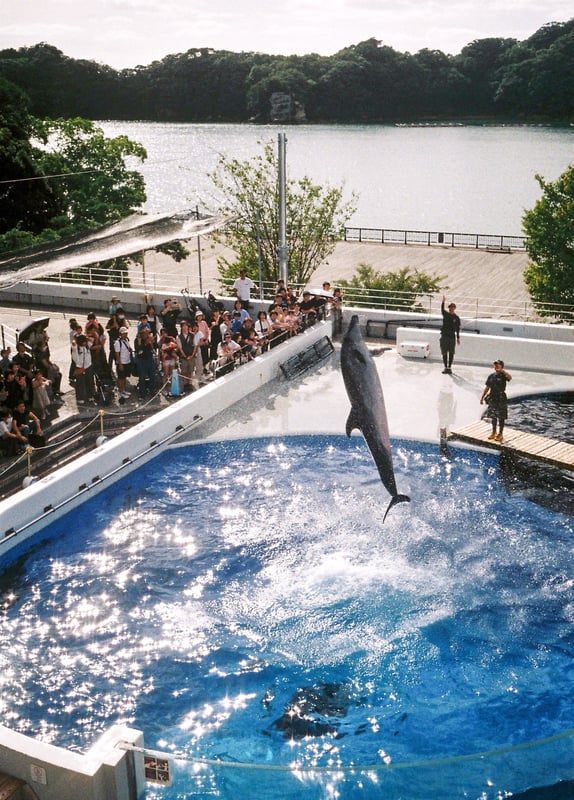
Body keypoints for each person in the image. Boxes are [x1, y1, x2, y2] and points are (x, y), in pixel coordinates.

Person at [480, 359, 512, 442]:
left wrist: (503, 371)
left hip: (501, 397)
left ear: (501, 366)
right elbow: (487, 387)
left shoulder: (503, 375)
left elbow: (510, 377)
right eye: (495, 365)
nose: (496, 366)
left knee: (501, 417)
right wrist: (482, 397)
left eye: (498, 365)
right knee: (493, 416)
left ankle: (500, 434)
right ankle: (494, 432)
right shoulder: (491, 376)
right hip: (493, 397)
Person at [440, 295, 461, 374]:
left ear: (454, 308)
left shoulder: (456, 318)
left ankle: (449, 367)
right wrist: (443, 301)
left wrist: (458, 337)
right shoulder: (446, 314)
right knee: (444, 351)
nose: (451, 308)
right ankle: (445, 366)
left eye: (453, 307)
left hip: (452, 337)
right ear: (449, 308)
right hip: (444, 336)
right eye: (450, 307)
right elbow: (442, 309)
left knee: (451, 352)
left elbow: (458, 328)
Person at [71, 333, 94, 404]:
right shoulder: (76, 348)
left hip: (88, 366)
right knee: (80, 384)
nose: (85, 343)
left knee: (90, 382)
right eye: (83, 341)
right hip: (79, 367)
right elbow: (73, 343)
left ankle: (90, 396)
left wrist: (86, 337)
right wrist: (76, 340)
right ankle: (80, 398)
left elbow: (92, 339)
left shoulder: (87, 346)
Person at [114, 326, 134, 400]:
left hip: (127, 361)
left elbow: (128, 348)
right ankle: (120, 391)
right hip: (122, 362)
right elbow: (117, 354)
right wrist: (120, 364)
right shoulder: (117, 343)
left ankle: (123, 390)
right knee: (121, 378)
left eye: (126, 333)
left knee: (124, 377)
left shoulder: (126, 340)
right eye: (124, 333)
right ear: (120, 334)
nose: (125, 335)